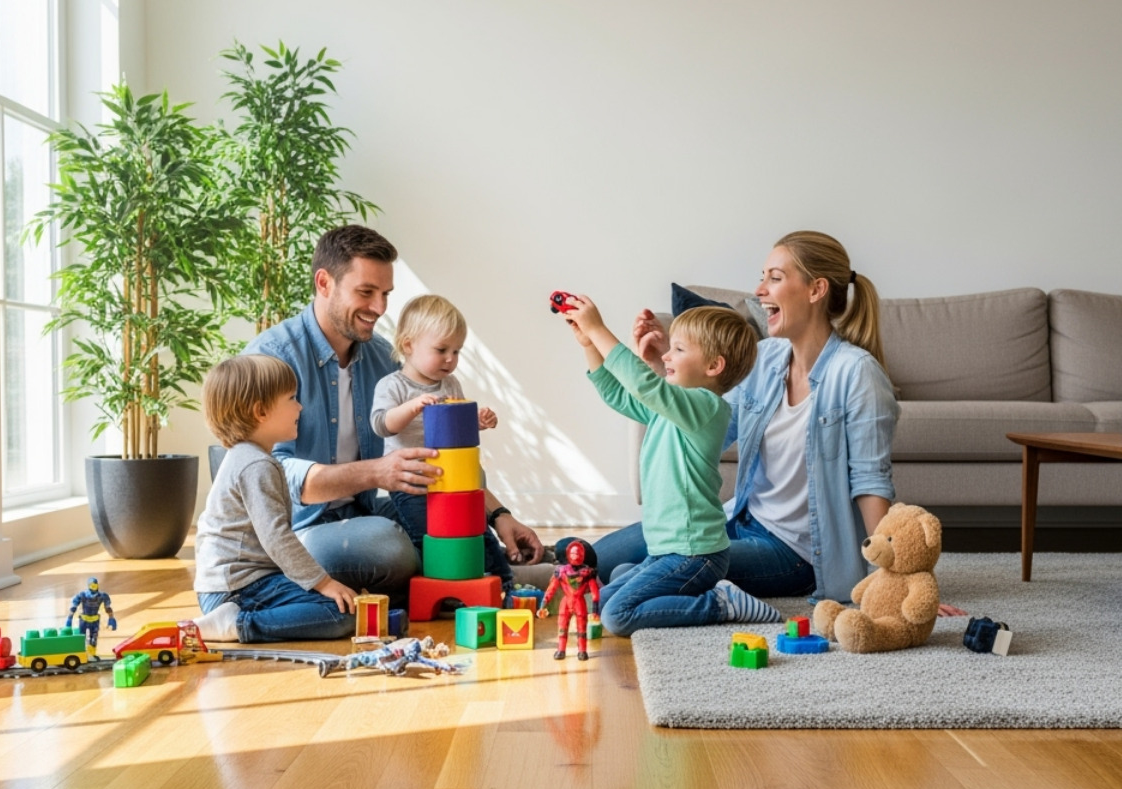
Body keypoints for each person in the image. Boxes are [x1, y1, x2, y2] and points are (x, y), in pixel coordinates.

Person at [579, 230, 905, 607]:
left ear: (816, 290)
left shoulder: (857, 373)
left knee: (656, 572)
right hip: (734, 521)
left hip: (797, 554)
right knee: (596, 562)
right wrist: (664, 368)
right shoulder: (764, 357)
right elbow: (705, 426)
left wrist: (893, 578)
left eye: (775, 278)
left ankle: (725, 603)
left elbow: (871, 482)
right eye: (763, 276)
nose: (760, 290)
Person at [245, 226, 543, 600]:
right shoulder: (271, 359)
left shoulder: (382, 358)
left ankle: (492, 573)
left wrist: (498, 515)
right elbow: (265, 472)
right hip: (297, 529)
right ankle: (482, 578)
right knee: (388, 548)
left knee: (444, 520)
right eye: (365, 292)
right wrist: (375, 471)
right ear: (324, 283)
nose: (380, 308)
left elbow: (445, 457)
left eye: (385, 294)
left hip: (364, 513)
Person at [559, 295, 783, 636]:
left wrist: (599, 329)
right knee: (601, 601)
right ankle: (671, 588)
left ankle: (721, 604)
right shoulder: (673, 409)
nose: (666, 355)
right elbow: (619, 395)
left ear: (713, 367)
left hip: (695, 555)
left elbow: (644, 386)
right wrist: (590, 344)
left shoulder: (707, 407)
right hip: (667, 551)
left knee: (618, 616)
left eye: (678, 350)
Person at [192, 354, 361, 643]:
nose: (300, 406)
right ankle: (238, 624)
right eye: (292, 398)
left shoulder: (248, 458)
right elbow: (276, 536)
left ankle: (233, 619)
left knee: (338, 602)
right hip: (238, 589)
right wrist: (323, 583)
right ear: (260, 411)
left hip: (234, 584)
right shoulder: (256, 465)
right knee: (339, 614)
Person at [369, 294, 515, 593]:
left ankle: (505, 584)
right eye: (441, 350)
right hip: (412, 484)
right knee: (431, 536)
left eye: (457, 351)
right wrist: (413, 406)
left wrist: (476, 421)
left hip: (451, 481)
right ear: (408, 345)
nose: (451, 358)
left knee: (475, 530)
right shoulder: (393, 385)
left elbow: (454, 430)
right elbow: (381, 424)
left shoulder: (450, 384)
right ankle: (443, 588)